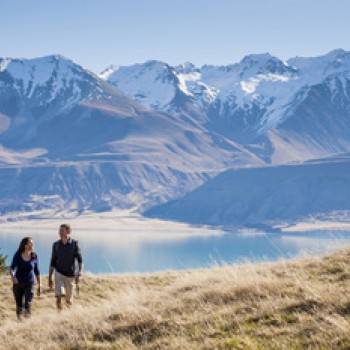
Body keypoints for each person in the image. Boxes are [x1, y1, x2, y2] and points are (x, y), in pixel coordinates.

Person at [48, 224, 83, 309]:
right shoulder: (56, 245)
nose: (60, 232)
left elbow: (80, 260)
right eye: (59, 230)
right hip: (59, 273)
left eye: (62, 230)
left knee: (69, 300)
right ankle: (59, 315)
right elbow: (52, 261)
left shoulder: (74, 244)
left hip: (70, 275)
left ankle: (68, 315)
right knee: (59, 296)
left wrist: (79, 273)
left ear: (68, 232)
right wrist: (50, 277)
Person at [10, 237, 41, 320]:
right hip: (18, 284)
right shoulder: (18, 254)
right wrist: (13, 277)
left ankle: (27, 322)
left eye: (32, 243)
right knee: (19, 305)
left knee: (28, 303)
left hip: (29, 283)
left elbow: (37, 271)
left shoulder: (34, 256)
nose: (32, 244)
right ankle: (19, 321)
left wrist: (39, 285)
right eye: (30, 243)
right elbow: (12, 268)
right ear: (25, 245)